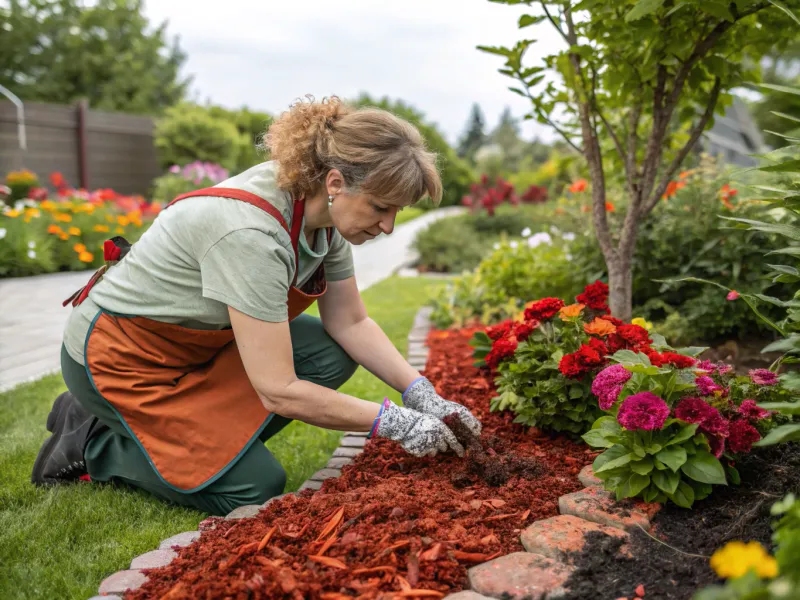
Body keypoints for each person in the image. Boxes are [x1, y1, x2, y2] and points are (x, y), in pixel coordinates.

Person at [31, 97, 482, 516]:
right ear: (336, 183)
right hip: (120, 361)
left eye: (397, 212)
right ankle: (91, 441)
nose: (387, 227)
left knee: (329, 352)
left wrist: (422, 393)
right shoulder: (251, 233)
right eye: (382, 208)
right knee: (254, 486)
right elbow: (278, 389)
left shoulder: (323, 219)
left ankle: (209, 444)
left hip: (192, 348)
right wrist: (395, 423)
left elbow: (351, 322)